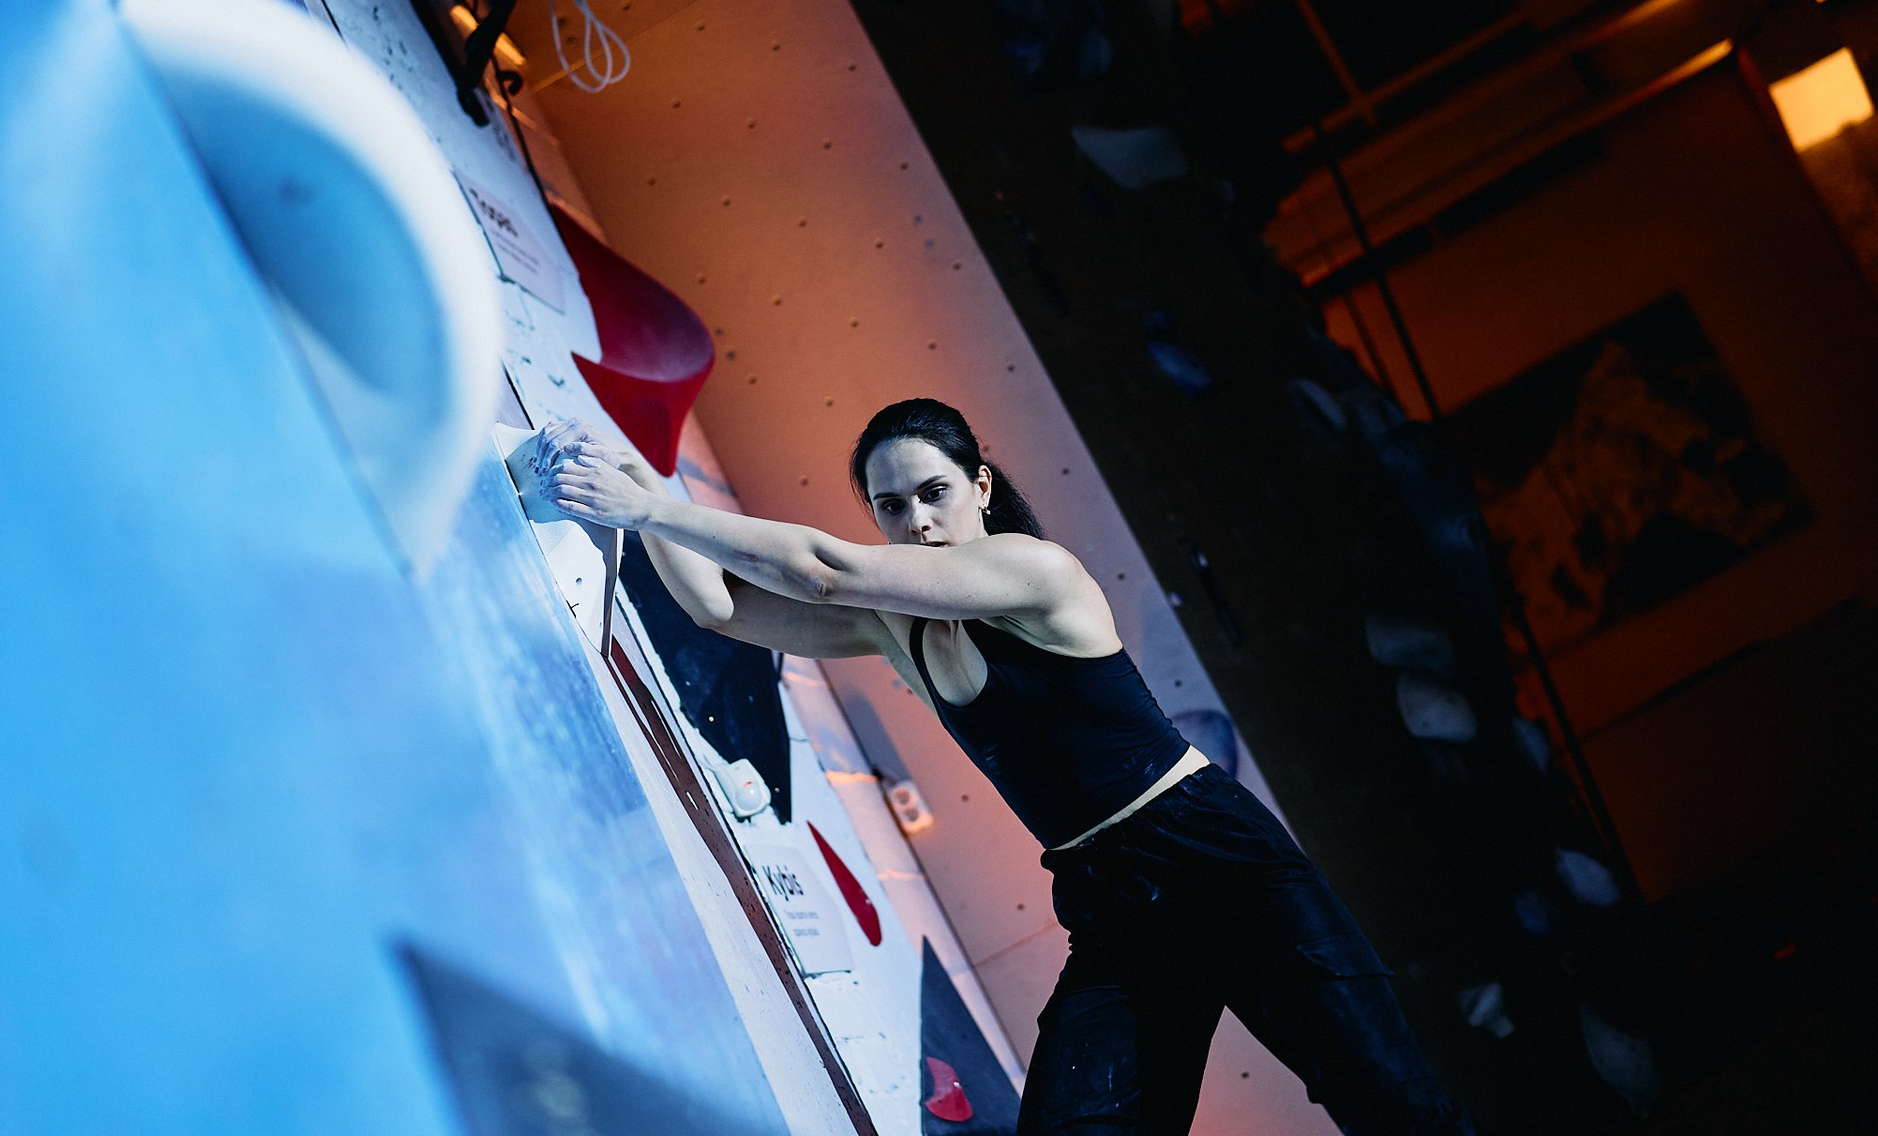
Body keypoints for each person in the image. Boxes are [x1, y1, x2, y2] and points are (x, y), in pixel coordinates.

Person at [542, 398, 1475, 1135]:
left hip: (1224, 864)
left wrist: (651, 509)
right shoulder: (896, 625)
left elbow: (828, 569)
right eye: (891, 507)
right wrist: (644, 484)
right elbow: (719, 610)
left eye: (934, 493)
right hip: (1113, 903)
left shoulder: (1038, 571)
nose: (917, 521)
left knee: (1394, 1108)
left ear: (981, 486)